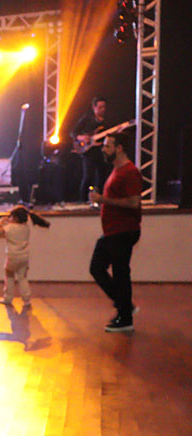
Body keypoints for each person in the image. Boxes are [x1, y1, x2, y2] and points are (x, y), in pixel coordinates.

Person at [89, 132, 142, 332]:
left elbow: (134, 202)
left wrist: (103, 200)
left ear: (119, 148)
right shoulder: (116, 170)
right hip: (114, 230)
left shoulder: (130, 172)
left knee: (120, 273)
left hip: (123, 230)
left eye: (107, 146)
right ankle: (125, 306)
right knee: (97, 268)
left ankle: (125, 318)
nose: (103, 149)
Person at [0, 206, 50, 308]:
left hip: (12, 257)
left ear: (15, 218)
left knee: (9, 277)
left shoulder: (9, 228)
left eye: (11, 216)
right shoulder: (26, 228)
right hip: (24, 257)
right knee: (23, 278)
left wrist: (0, 222)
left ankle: (8, 298)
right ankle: (26, 299)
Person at [72, 96, 110, 203]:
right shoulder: (87, 119)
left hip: (101, 151)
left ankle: (100, 199)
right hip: (88, 152)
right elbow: (73, 133)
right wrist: (82, 137)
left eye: (104, 107)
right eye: (100, 107)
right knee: (88, 176)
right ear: (94, 107)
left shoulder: (107, 122)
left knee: (102, 176)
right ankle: (83, 200)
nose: (103, 109)